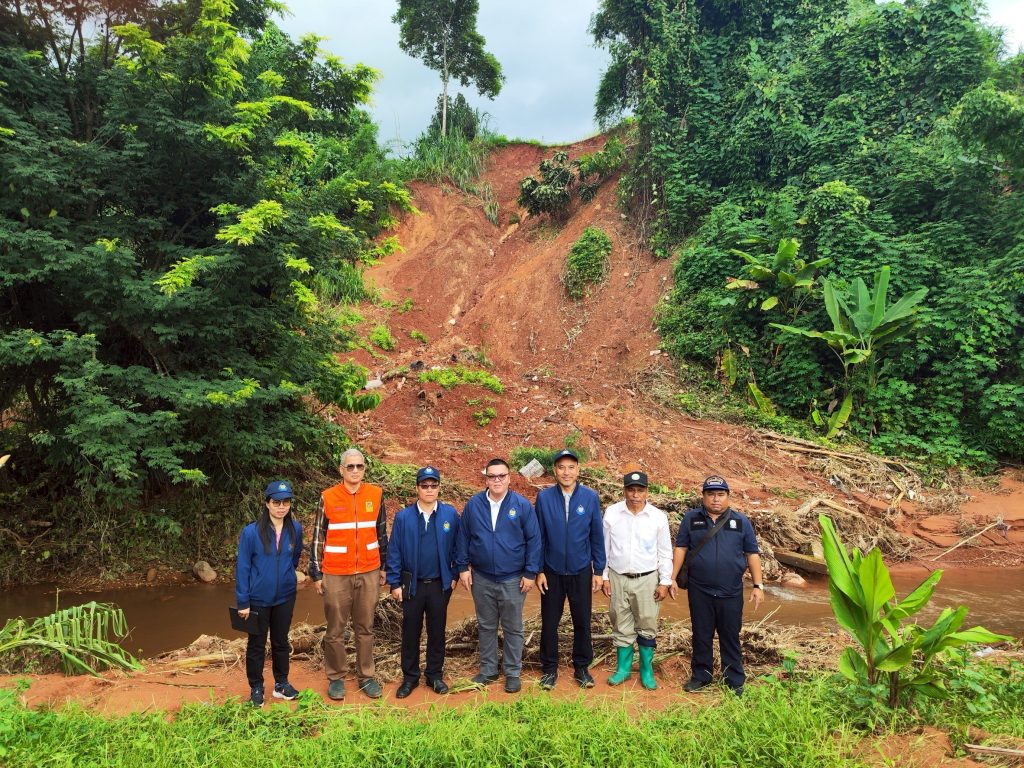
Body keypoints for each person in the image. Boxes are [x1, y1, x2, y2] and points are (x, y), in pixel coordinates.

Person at [671, 475, 763, 696]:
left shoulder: (741, 522)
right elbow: (681, 548)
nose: (715, 499)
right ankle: (701, 676)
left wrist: (758, 585)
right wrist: (671, 578)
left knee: (730, 634)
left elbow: (752, 553)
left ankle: (734, 679)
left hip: (731, 590)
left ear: (727, 497)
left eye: (720, 494)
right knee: (701, 633)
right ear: (703, 496)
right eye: (711, 494)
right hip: (699, 589)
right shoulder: (691, 519)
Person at [308, 448, 389, 700]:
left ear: (364, 469)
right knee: (335, 629)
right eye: (350, 466)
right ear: (341, 470)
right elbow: (318, 536)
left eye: (359, 466)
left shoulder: (375, 494)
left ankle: (366, 676)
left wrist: (384, 567)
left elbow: (381, 533)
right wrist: (316, 573)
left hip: (369, 570)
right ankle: (336, 677)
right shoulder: (328, 497)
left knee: (365, 627)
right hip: (335, 573)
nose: (355, 470)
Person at [456, 458, 541, 693]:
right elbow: (463, 537)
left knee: (513, 627)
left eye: (501, 476)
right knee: (486, 625)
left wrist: (530, 572)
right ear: (486, 479)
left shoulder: (521, 505)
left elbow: (534, 540)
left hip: (513, 578)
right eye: (492, 476)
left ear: (509, 478)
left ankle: (512, 672)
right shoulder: (474, 505)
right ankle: (488, 670)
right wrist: (462, 568)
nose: (497, 480)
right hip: (482, 577)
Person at [385, 466, 460, 698]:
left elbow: (459, 547)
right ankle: (410, 677)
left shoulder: (449, 515)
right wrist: (394, 583)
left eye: (433, 485)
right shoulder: (404, 517)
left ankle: (435, 675)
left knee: (437, 632)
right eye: (424, 485)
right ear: (417, 488)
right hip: (412, 585)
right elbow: (394, 551)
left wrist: (454, 576)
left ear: (439, 487)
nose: (429, 489)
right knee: (410, 632)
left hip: (439, 584)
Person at [534, 449, 605, 690]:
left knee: (582, 621)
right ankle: (549, 669)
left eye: (571, 467)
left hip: (581, 570)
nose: (566, 472)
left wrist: (599, 570)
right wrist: (539, 570)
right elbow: (539, 536)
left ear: (578, 470)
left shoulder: (590, 497)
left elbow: (597, 535)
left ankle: (582, 667)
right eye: (561, 467)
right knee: (549, 622)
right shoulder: (544, 498)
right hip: (551, 571)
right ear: (555, 471)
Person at [601, 470, 673, 690]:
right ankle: (623, 669)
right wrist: (604, 576)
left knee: (647, 623)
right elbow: (604, 548)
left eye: (640, 490)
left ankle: (646, 670)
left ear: (646, 491)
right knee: (620, 622)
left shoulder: (658, 517)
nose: (635, 495)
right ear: (624, 491)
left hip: (647, 578)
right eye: (631, 490)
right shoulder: (612, 513)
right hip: (618, 576)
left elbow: (665, 551)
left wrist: (665, 581)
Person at [235, 480, 303, 707]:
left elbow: (294, 559)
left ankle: (281, 684)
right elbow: (243, 567)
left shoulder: (295, 529)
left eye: (286, 502)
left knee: (281, 641)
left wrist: (287, 578)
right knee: (256, 644)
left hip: (285, 596)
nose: (281, 507)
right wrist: (243, 601)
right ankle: (256, 687)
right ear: (267, 503)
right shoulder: (251, 532)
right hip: (258, 598)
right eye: (276, 502)